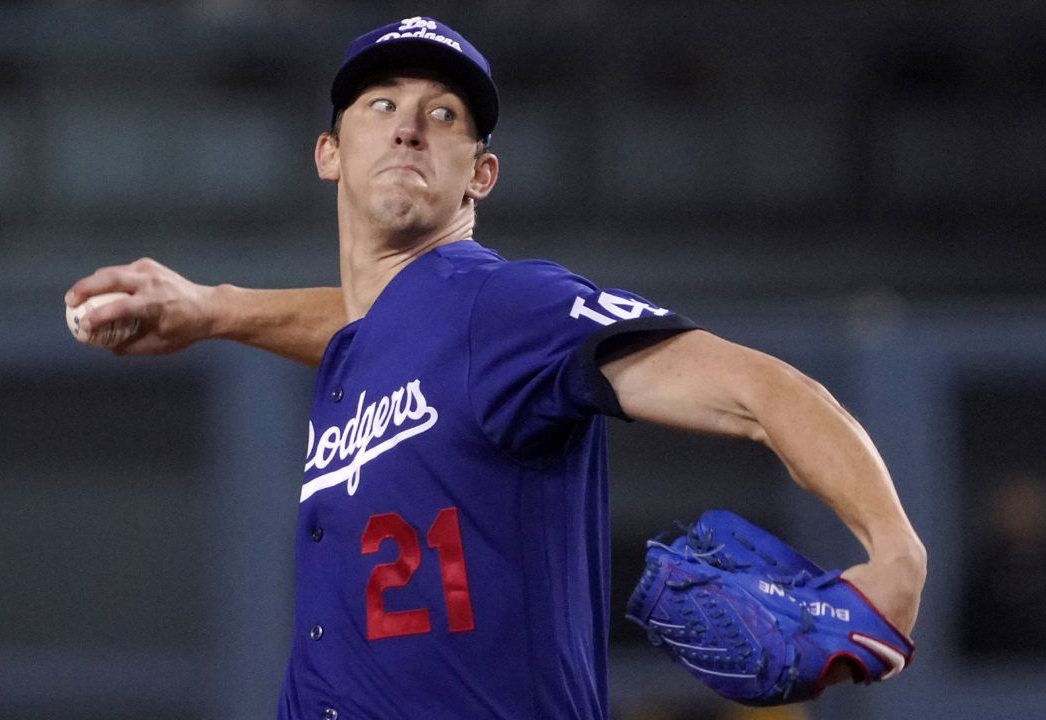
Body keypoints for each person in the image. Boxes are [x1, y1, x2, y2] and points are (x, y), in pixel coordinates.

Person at [66, 16, 926, 720]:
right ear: (328, 152)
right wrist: (214, 309)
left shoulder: (506, 308)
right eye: (381, 103)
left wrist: (894, 555)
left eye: (444, 115)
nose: (409, 123)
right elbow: (379, 326)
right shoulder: (379, 342)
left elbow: (760, 391)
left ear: (480, 176)